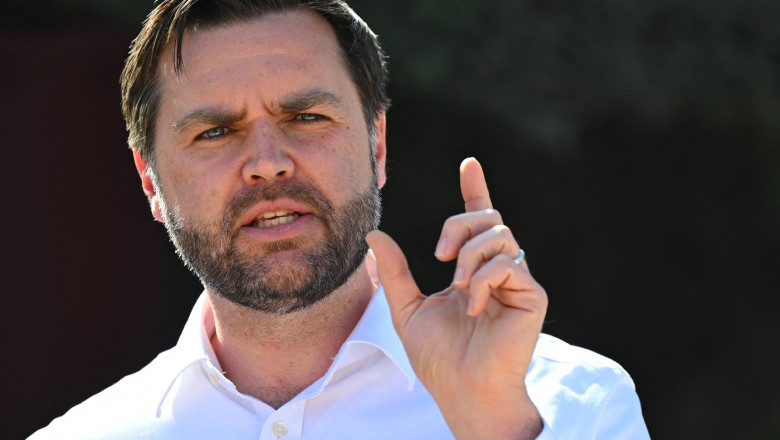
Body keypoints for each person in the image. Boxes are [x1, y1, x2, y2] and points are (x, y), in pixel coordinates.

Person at [30, 1, 650, 439]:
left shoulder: (570, 407)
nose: (267, 163)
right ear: (150, 180)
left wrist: (494, 428)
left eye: (306, 117)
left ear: (376, 145)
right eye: (215, 131)